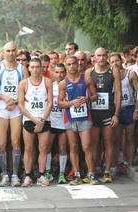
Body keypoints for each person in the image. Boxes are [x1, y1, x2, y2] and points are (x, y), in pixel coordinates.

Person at [0, 42, 29, 187]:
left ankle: (14, 174)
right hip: (2, 107)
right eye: (8, 51)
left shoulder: (22, 69)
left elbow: (26, 90)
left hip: (17, 107)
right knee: (1, 142)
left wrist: (14, 100)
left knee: (15, 141)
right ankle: (4, 174)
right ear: (3, 53)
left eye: (13, 51)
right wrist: (5, 98)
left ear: (17, 52)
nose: (11, 53)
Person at [57, 55, 98, 185]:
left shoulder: (86, 79)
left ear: (78, 64)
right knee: (73, 146)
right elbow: (59, 103)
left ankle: (91, 174)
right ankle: (77, 174)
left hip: (85, 117)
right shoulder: (63, 83)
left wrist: (87, 99)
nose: (72, 66)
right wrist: (71, 103)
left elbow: (95, 95)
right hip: (70, 118)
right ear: (66, 66)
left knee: (86, 146)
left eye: (73, 64)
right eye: (68, 64)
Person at [87, 47, 122, 183]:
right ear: (94, 57)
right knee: (94, 142)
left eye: (103, 55)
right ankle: (95, 168)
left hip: (108, 110)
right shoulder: (89, 72)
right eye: (99, 55)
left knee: (108, 141)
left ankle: (107, 170)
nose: (101, 58)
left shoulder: (113, 71)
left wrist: (116, 114)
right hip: (94, 112)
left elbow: (118, 93)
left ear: (107, 56)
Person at [18, 57, 53, 187]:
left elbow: (50, 103)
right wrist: (34, 119)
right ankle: (27, 176)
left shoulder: (47, 82)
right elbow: (21, 105)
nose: (35, 69)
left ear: (41, 68)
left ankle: (42, 175)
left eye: (37, 67)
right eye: (32, 67)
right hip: (29, 119)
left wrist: (42, 120)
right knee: (28, 148)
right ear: (29, 68)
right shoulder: (23, 83)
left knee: (43, 148)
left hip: (44, 119)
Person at [109, 53, 138, 174]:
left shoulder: (130, 74)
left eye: (117, 61)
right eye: (112, 62)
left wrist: (136, 109)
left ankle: (129, 163)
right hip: (116, 109)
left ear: (121, 60)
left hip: (129, 108)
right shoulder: (110, 76)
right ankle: (114, 165)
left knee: (129, 138)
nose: (115, 63)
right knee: (115, 139)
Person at [47, 63, 68, 183]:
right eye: (57, 72)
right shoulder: (49, 85)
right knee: (46, 147)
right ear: (53, 73)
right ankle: (48, 171)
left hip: (63, 121)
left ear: (65, 73)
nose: (59, 75)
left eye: (61, 72)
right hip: (51, 121)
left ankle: (61, 173)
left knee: (63, 147)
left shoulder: (68, 85)